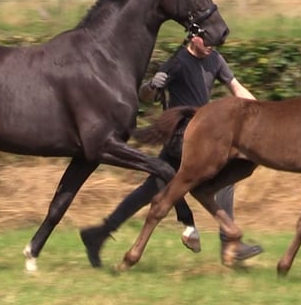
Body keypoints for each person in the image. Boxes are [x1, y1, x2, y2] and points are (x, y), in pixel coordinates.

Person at [80, 33, 264, 268]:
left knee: (153, 188)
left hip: (202, 135)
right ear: (193, 37)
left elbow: (237, 89)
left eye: (213, 41)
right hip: (181, 138)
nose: (210, 45)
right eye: (205, 40)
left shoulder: (215, 59)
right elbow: (146, 96)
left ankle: (98, 234)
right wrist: (150, 85)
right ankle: (230, 242)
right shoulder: (177, 62)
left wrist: (263, 114)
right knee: (218, 178)